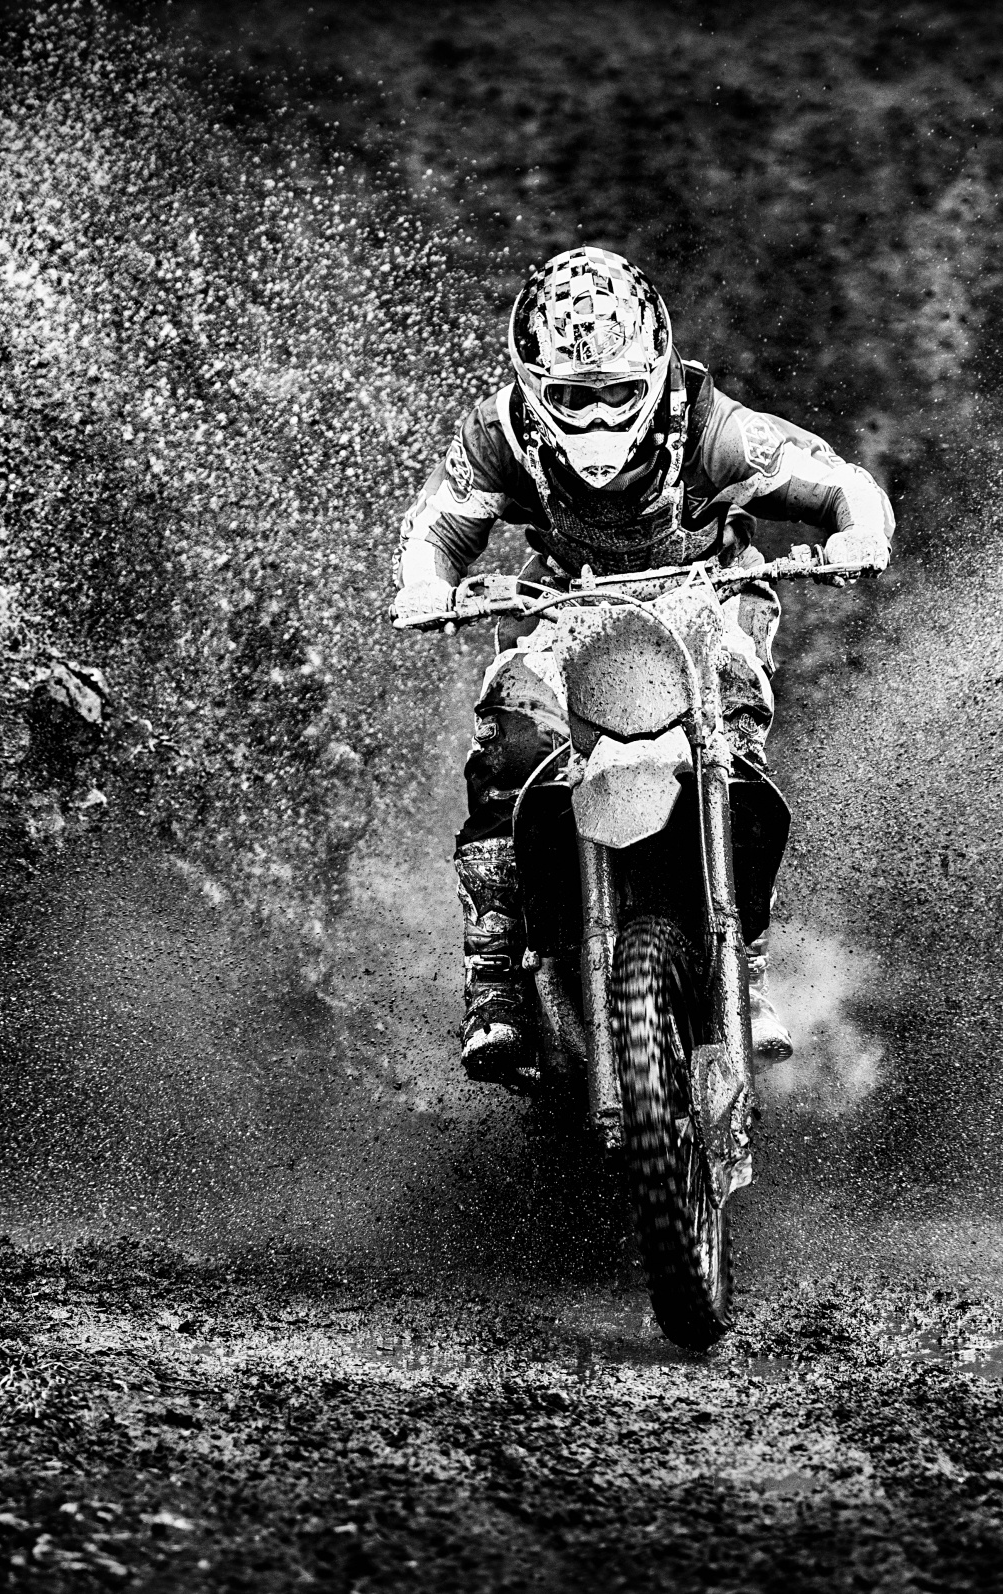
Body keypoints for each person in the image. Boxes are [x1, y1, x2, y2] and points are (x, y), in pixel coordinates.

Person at [392, 246, 894, 1090]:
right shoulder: (498, 433)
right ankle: (494, 975)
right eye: (572, 397)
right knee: (509, 743)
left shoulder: (714, 429)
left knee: (735, 728)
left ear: (655, 372)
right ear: (533, 386)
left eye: (618, 391)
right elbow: (439, 524)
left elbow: (840, 482)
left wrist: (859, 534)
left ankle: (748, 968)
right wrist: (424, 586)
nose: (596, 415)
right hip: (564, 603)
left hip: (706, 597)